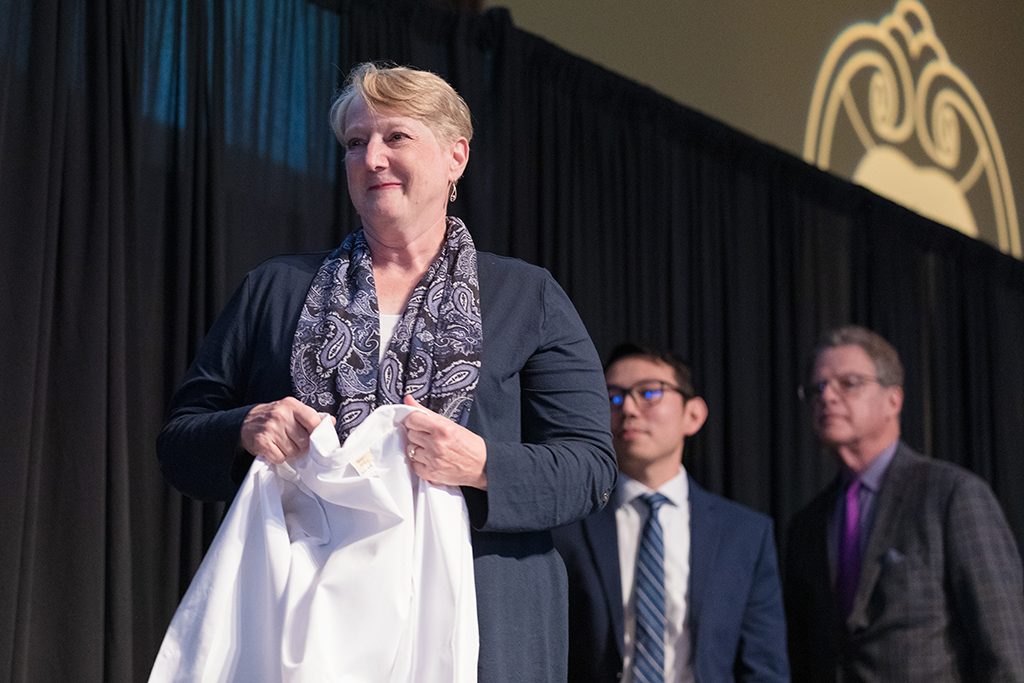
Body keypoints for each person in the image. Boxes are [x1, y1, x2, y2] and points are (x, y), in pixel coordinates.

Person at [156, 62, 617, 683]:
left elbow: (590, 468)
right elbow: (178, 445)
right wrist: (245, 426)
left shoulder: (525, 296)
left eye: (395, 137)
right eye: (354, 142)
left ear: (456, 157)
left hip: (484, 631)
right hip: (300, 627)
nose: (371, 158)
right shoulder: (276, 288)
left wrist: (481, 463)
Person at [784, 325, 1024, 682]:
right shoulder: (807, 526)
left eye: (848, 383)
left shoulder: (952, 494)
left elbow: (1005, 648)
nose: (828, 397)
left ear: (893, 400)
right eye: (817, 388)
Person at [552, 343, 790, 683]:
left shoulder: (745, 533)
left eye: (649, 393)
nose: (629, 408)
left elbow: (765, 666)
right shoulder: (568, 524)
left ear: (692, 415)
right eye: (613, 397)